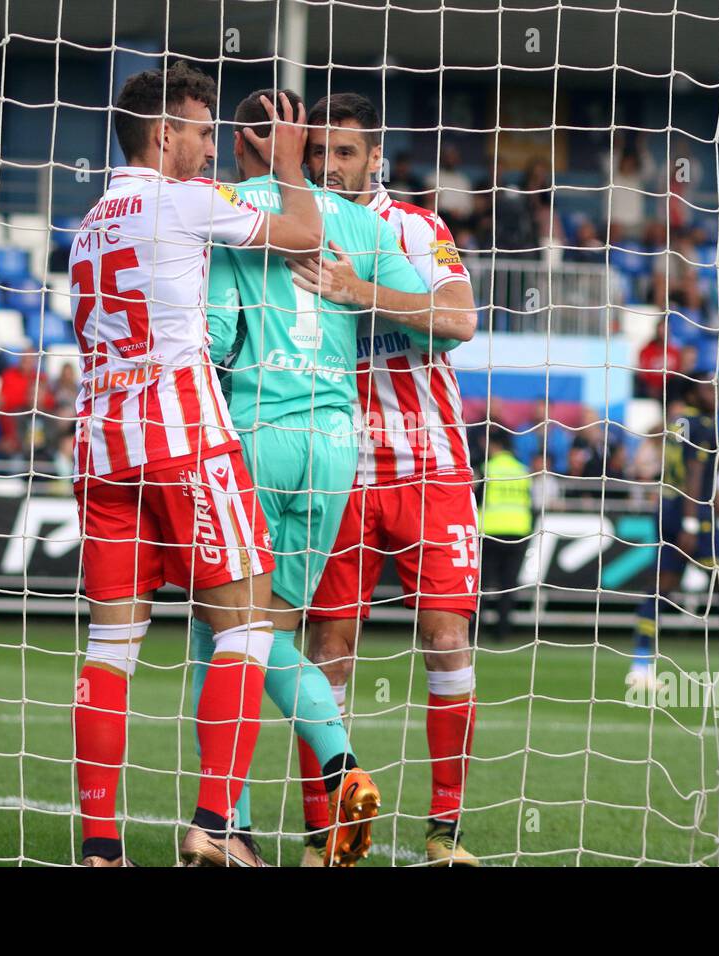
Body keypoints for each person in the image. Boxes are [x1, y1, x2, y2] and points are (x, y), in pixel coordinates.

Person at [67, 63, 321, 868]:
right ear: (163, 133)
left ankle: (101, 847)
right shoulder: (184, 200)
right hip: (184, 443)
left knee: (112, 650)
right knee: (247, 625)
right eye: (204, 131)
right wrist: (288, 163)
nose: (213, 146)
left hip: (103, 451)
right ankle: (215, 824)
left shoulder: (88, 223)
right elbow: (306, 235)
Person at [201, 86, 434, 866]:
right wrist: (360, 293)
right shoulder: (366, 223)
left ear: (254, 142)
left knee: (226, 632)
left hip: (258, 430)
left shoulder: (233, 210)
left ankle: (225, 817)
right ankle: (338, 778)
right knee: (269, 630)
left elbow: (215, 336)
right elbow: (442, 315)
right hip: (336, 442)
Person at [303, 91, 482, 865]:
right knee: (328, 651)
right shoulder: (294, 230)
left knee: (445, 640)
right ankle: (330, 834)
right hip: (335, 471)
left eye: (344, 152)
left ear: (375, 158)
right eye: (318, 152)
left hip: (429, 468)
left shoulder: (418, 227)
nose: (329, 166)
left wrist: (360, 293)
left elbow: (461, 318)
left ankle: (445, 832)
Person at [627, 370, 719, 691]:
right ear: (693, 395)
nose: (716, 393)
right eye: (708, 389)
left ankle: (640, 666)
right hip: (690, 513)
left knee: (661, 587)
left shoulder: (677, 422)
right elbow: (694, 473)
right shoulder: (704, 426)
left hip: (666, 508)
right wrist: (692, 522)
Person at [478, 427, 532, 642]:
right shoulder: (523, 470)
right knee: (508, 586)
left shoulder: (487, 469)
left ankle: (475, 630)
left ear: (494, 445)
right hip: (518, 532)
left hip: (490, 532)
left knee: (480, 586)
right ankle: (502, 632)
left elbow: (476, 500)